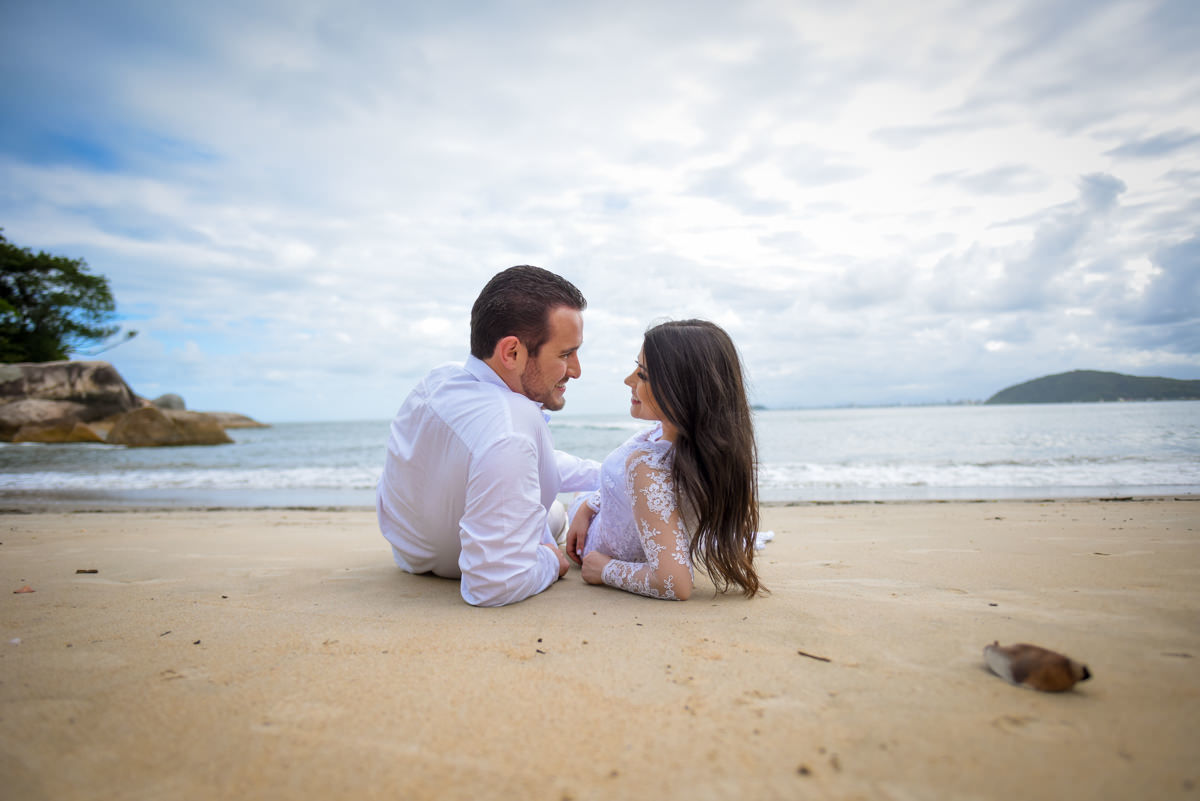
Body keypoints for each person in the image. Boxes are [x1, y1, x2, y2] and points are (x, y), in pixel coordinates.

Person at [376, 266, 601, 607]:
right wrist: (551, 562)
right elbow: (493, 585)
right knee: (554, 513)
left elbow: (507, 459)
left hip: (410, 553)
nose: (576, 370)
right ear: (512, 353)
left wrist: (607, 475)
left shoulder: (438, 381)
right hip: (457, 564)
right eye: (566, 354)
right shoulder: (510, 426)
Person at [565, 319, 763, 601]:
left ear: (680, 389)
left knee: (549, 514)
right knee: (570, 499)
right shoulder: (692, 446)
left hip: (592, 545)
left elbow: (675, 583)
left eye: (642, 375)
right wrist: (589, 506)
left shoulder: (649, 465)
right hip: (590, 516)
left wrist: (603, 569)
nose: (628, 380)